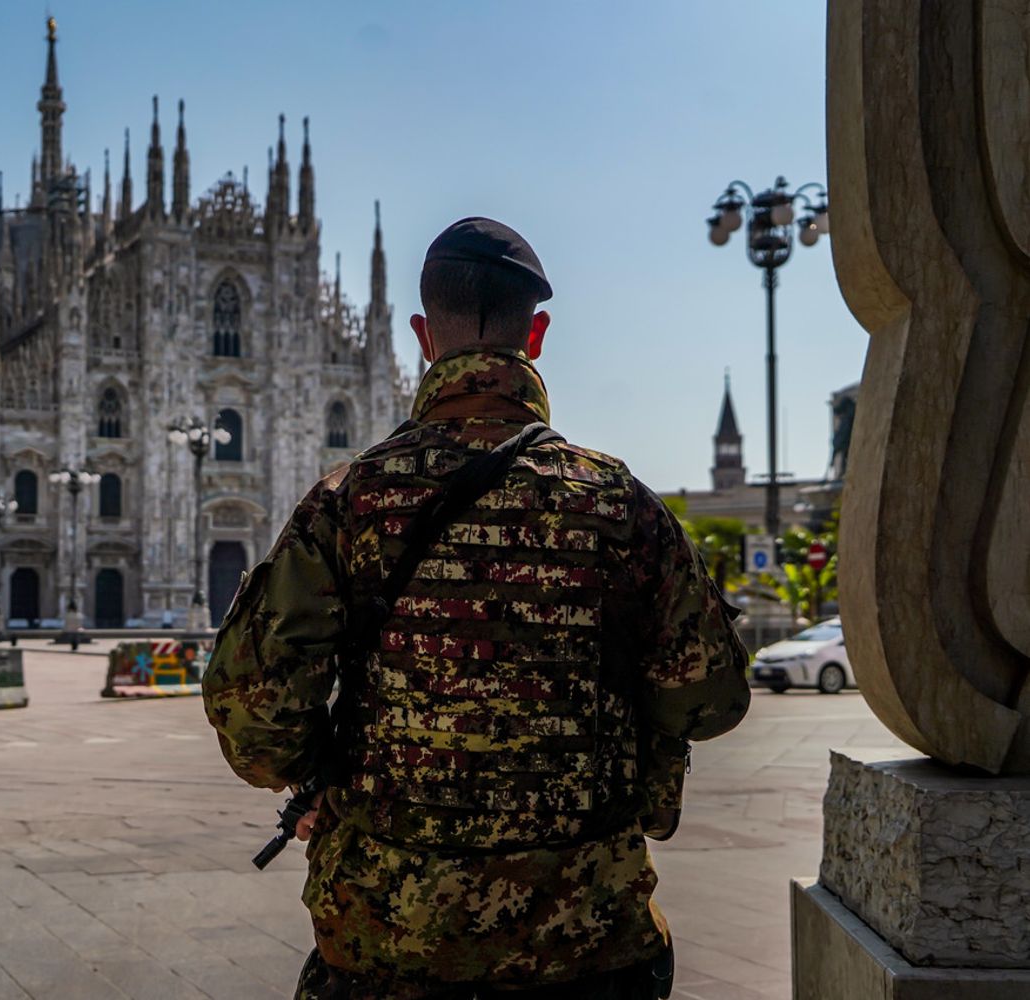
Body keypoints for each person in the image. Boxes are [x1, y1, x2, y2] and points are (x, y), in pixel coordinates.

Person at [202, 217, 751, 999]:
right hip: (588, 940)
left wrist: (326, 775)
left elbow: (251, 719)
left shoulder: (349, 500)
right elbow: (712, 699)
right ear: (538, 332)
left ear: (425, 336)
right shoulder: (620, 503)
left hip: (389, 940)